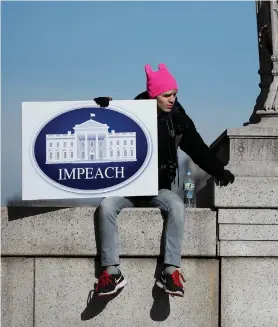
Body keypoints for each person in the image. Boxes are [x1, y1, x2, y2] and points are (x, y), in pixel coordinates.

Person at [93, 63, 235, 298]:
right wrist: (102, 109)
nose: (172, 100)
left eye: (175, 94)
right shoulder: (131, 112)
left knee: (177, 206)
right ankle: (111, 272)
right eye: (166, 95)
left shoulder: (178, 118)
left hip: (158, 189)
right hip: (128, 189)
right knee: (106, 205)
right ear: (153, 96)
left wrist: (219, 171)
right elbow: (107, 133)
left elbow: (198, 149)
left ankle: (170, 272)